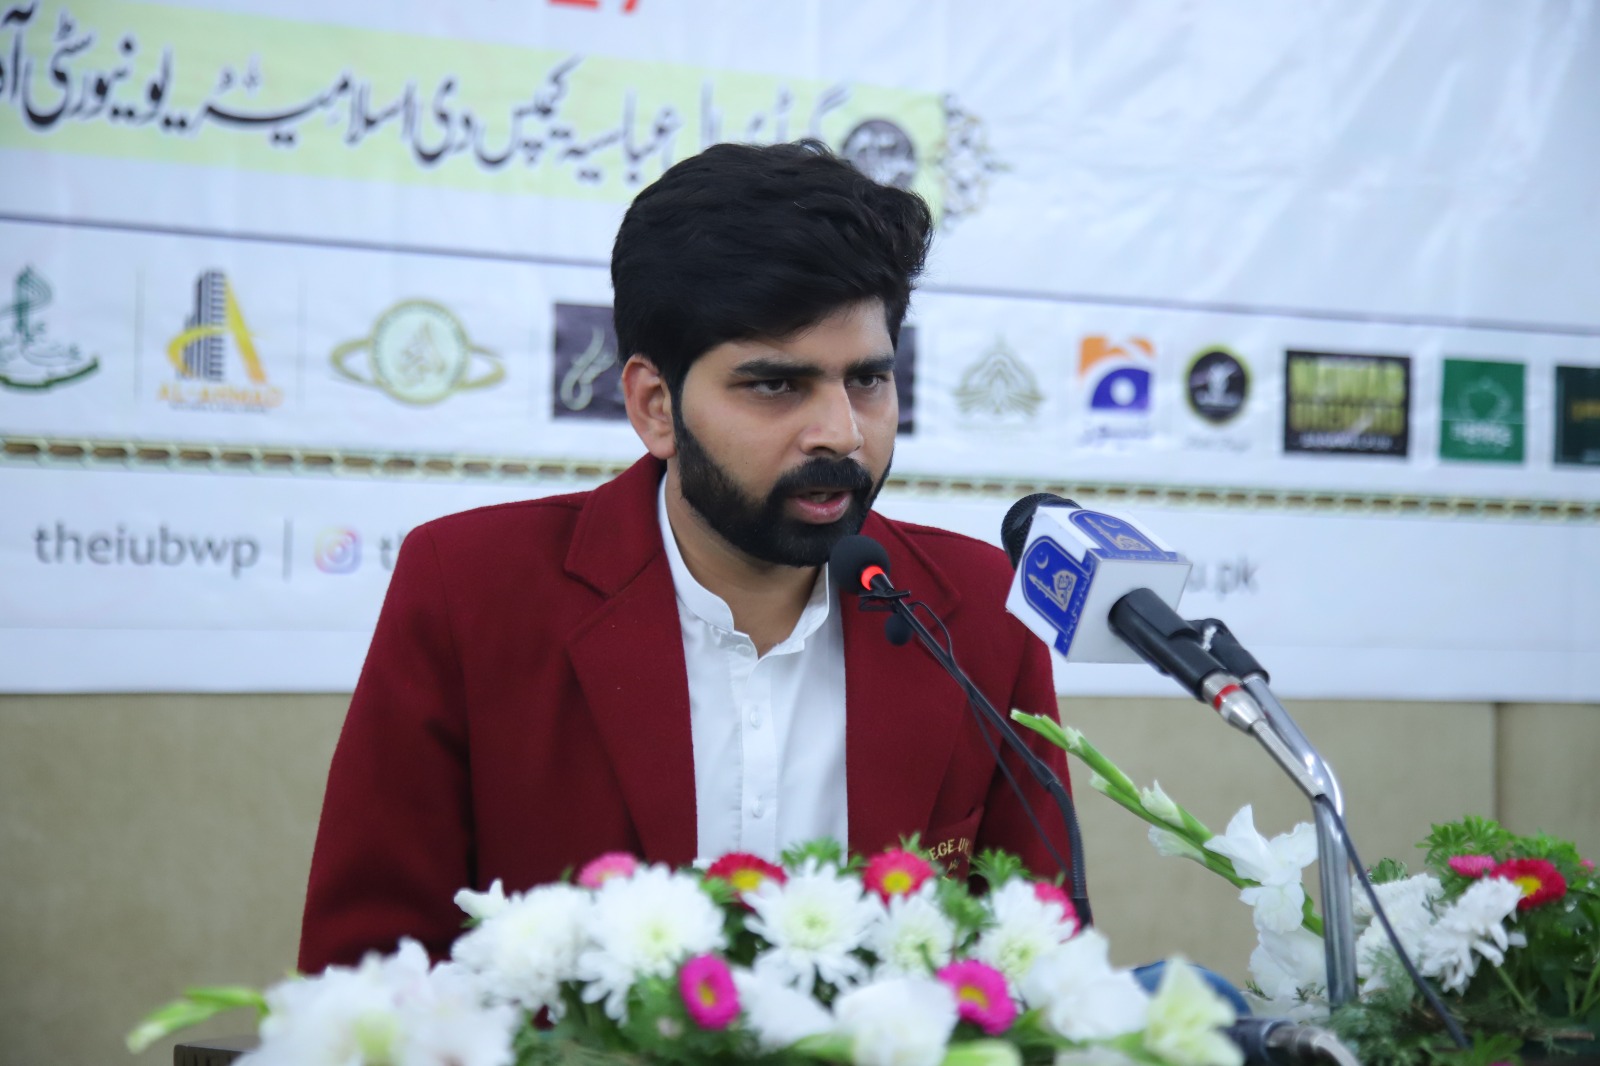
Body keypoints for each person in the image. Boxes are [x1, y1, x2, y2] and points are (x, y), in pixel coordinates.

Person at [298, 140, 1075, 973]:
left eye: (867, 381)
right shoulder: (470, 591)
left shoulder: (978, 612)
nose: (841, 433)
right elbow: (368, 979)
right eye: (776, 385)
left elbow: (1038, 974)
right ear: (654, 405)